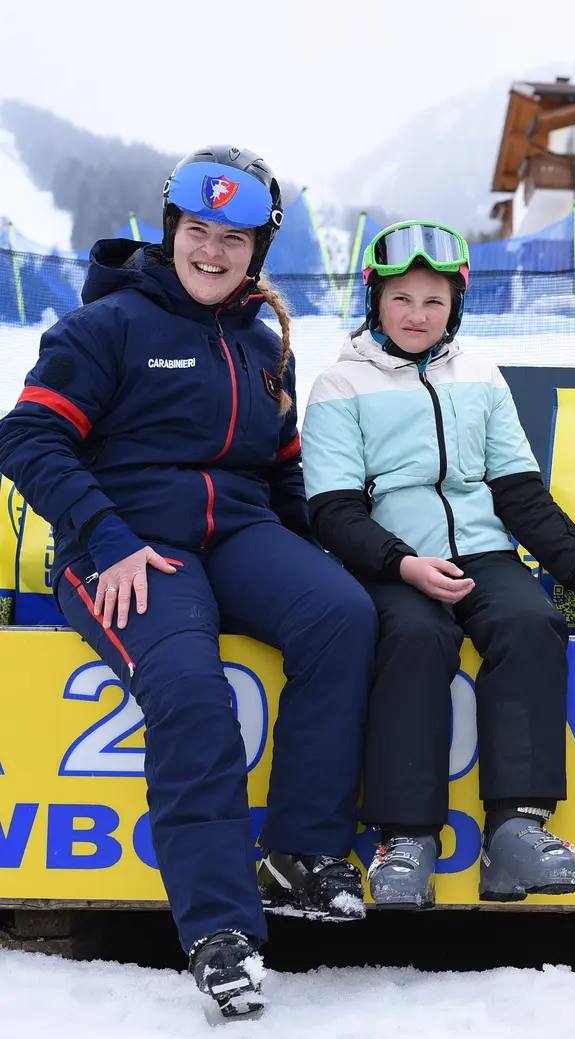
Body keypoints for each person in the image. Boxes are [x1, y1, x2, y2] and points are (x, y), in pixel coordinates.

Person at [0, 145, 377, 1018]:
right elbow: (26, 439)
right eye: (197, 230)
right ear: (170, 232)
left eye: (234, 238)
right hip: (126, 545)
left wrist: (316, 550)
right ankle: (221, 933)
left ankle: (300, 856)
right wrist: (107, 535)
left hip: (237, 531)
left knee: (341, 615)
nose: (212, 251)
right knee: (188, 685)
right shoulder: (106, 326)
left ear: (258, 249)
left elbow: (282, 474)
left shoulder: (258, 342)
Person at [300, 220, 575, 910]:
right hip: (390, 561)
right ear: (374, 302)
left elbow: (518, 490)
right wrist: (403, 564)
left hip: (482, 551)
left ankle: (515, 829)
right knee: (414, 637)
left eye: (433, 300)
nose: (417, 314)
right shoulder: (340, 384)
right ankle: (407, 837)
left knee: (530, 621)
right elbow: (332, 510)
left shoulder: (480, 374)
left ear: (456, 306)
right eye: (401, 299)